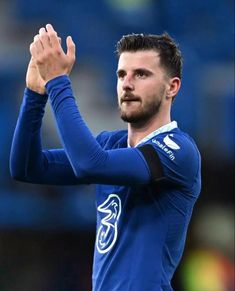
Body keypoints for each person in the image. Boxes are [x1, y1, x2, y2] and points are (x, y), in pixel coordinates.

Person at [10, 24, 201, 291]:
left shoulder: (179, 150)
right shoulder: (111, 144)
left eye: (141, 74)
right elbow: (28, 168)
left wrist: (58, 82)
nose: (127, 84)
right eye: (122, 74)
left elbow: (90, 164)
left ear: (172, 87)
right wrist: (34, 95)